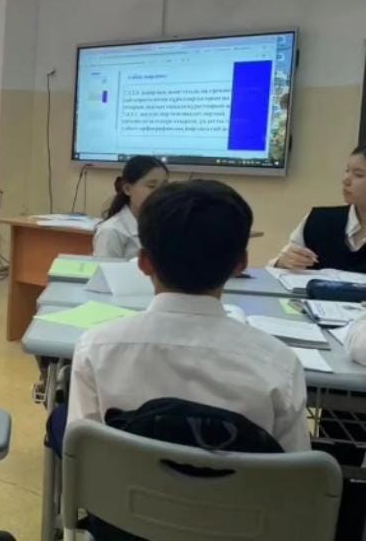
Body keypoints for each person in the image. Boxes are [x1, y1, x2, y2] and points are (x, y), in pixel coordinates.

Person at [64, 180, 310, 453]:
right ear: (240, 264)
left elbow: (83, 454)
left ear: (143, 262)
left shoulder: (96, 349)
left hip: (124, 482)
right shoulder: (279, 364)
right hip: (242, 484)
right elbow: (296, 470)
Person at [273, 145, 366, 271]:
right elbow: (277, 266)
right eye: (347, 170)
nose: (346, 180)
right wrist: (283, 262)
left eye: (359, 175)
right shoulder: (320, 220)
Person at [92, 155, 168, 259]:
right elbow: (106, 269)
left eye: (164, 186)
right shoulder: (112, 230)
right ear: (127, 189)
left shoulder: (163, 224)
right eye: (151, 186)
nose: (160, 192)